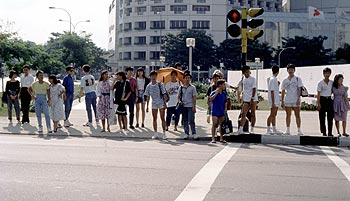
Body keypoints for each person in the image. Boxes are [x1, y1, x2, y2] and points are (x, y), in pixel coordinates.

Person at [281, 64, 303, 135]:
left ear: (294, 70)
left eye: (292, 69)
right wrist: (282, 101)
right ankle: (287, 130)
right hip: (288, 100)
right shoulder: (285, 80)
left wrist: (298, 98)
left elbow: (299, 89)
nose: (290, 71)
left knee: (297, 115)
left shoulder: (297, 79)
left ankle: (299, 130)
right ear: (287, 70)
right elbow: (283, 91)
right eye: (289, 69)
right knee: (288, 115)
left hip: (295, 99)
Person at [145, 70, 167, 140]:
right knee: (154, 118)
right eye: (152, 76)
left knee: (162, 118)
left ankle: (164, 133)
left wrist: (165, 103)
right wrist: (147, 106)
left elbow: (164, 94)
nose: (153, 77)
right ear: (150, 77)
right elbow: (148, 96)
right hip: (154, 103)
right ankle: (155, 133)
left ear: (156, 76)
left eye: (154, 76)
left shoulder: (160, 84)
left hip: (161, 103)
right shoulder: (148, 86)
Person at [237, 66, 258, 134]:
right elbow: (243, 89)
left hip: (253, 99)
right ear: (244, 73)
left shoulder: (253, 79)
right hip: (246, 99)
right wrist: (242, 98)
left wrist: (252, 98)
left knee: (253, 114)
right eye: (247, 72)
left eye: (249, 71)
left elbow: (254, 89)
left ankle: (252, 129)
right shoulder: (243, 79)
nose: (248, 73)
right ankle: (241, 129)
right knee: (243, 114)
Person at [178, 72, 197, 140]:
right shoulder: (181, 87)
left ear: (190, 79)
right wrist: (179, 101)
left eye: (188, 78)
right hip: (183, 106)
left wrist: (194, 107)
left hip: (190, 105)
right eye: (186, 78)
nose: (187, 79)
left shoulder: (193, 88)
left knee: (191, 120)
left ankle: (194, 133)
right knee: (185, 120)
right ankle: (186, 133)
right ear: (184, 79)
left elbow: (194, 97)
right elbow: (178, 96)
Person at [316, 68, 334, 136]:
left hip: (329, 99)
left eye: (328, 73)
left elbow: (334, 90)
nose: (327, 74)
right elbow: (318, 93)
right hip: (322, 99)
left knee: (330, 117)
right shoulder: (320, 83)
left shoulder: (332, 82)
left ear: (330, 74)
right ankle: (323, 132)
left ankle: (330, 132)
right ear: (323, 74)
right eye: (325, 73)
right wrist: (318, 103)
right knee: (322, 117)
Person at [209, 79, 227, 143]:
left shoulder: (224, 93)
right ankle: (213, 138)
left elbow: (225, 101)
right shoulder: (213, 92)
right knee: (214, 124)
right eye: (223, 84)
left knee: (221, 125)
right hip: (215, 111)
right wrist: (216, 93)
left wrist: (225, 108)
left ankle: (221, 138)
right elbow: (210, 99)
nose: (224, 86)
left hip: (221, 111)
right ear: (220, 85)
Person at [266, 65, 281, 134]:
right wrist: (273, 102)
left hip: (276, 99)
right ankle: (268, 129)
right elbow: (272, 91)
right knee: (272, 114)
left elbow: (274, 89)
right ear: (278, 71)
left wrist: (278, 85)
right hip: (274, 100)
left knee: (274, 114)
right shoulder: (272, 79)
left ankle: (274, 128)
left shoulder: (274, 79)